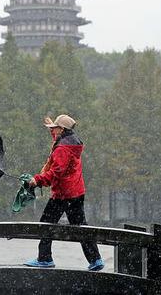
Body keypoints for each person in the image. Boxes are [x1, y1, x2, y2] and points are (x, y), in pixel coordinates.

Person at [24, 114, 105, 271]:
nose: (54, 130)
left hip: (62, 195)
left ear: (62, 129)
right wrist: (51, 127)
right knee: (81, 227)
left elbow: (56, 172)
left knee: (46, 224)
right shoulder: (72, 142)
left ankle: (45, 259)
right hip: (76, 192)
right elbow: (58, 139)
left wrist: (37, 180)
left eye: (56, 128)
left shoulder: (62, 149)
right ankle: (96, 260)